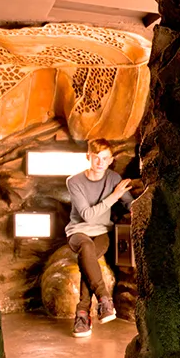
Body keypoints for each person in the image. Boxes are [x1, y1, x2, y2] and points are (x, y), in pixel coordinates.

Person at [65, 139, 135, 338]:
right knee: (86, 247)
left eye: (104, 158)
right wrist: (114, 196)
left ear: (110, 160)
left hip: (102, 232)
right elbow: (87, 215)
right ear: (88, 157)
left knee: (87, 263)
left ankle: (83, 314)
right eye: (96, 158)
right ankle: (105, 299)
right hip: (78, 232)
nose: (100, 162)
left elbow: (129, 203)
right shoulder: (74, 181)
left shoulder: (114, 178)